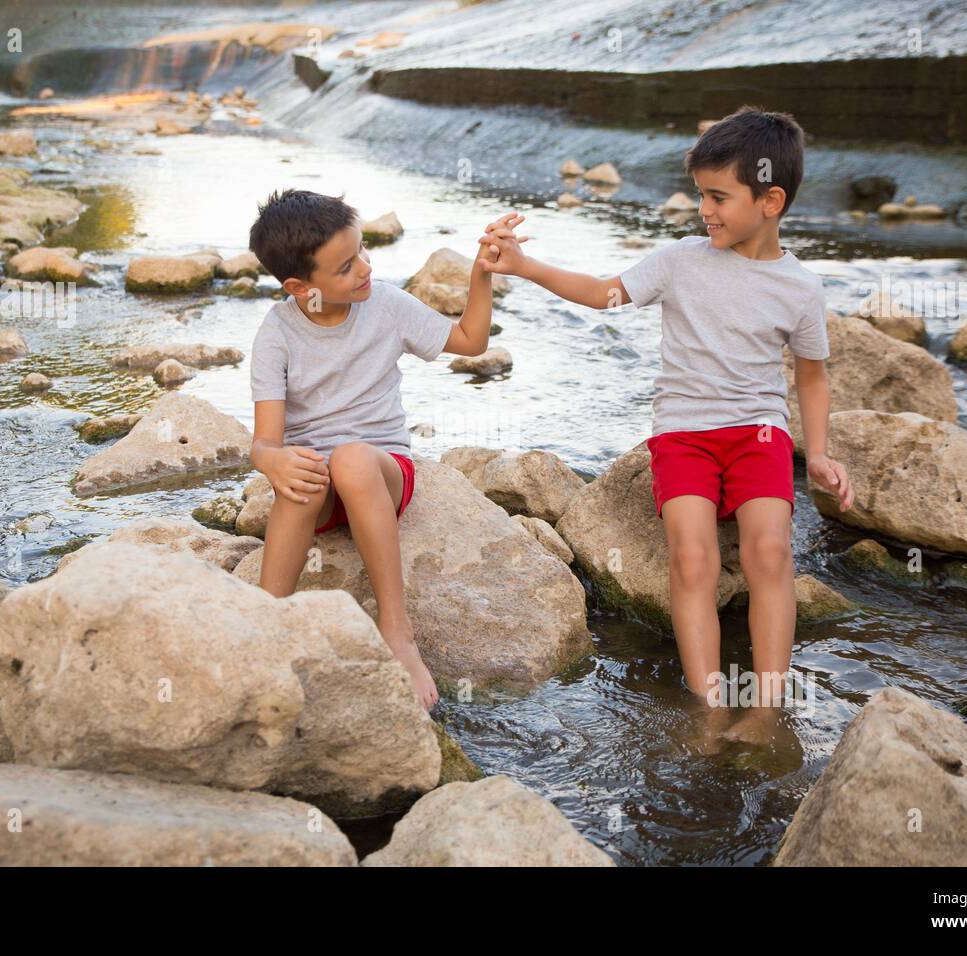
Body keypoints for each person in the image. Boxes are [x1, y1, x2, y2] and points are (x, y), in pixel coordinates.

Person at [478, 107, 854, 730]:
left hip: (759, 434)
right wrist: (526, 266)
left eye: (717, 197)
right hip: (684, 435)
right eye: (700, 195)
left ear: (771, 199)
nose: (703, 209)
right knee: (692, 558)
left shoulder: (800, 288)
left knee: (770, 552)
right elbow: (606, 294)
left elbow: (812, 376)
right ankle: (708, 705)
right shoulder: (681, 261)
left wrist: (816, 453)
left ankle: (766, 707)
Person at [248, 187, 519, 709]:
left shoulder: (387, 304)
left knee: (350, 457)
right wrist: (273, 459)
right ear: (301, 287)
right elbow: (264, 443)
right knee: (302, 479)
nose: (366, 268)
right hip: (323, 492)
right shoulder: (276, 334)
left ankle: (398, 633)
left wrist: (481, 274)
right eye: (347, 266)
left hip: (381, 472)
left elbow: (469, 341)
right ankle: (265, 625)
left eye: (364, 250)